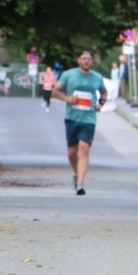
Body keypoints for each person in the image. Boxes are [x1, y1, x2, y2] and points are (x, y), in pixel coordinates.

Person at [51, 51, 106, 196]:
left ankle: (80, 184)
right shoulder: (69, 75)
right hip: (72, 118)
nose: (87, 61)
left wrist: (100, 103)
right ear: (78, 60)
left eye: (89, 59)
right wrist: (68, 99)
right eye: (84, 58)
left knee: (84, 149)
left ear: (92, 61)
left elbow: (104, 93)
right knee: (71, 152)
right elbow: (55, 92)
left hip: (89, 119)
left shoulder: (97, 77)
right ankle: (77, 174)